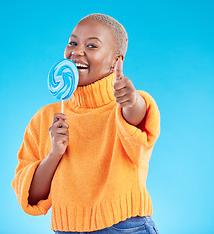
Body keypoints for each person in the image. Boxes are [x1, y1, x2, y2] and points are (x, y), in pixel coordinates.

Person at [12, 13, 160, 234]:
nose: (77, 51)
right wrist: (54, 154)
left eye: (92, 46)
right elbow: (32, 196)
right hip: (67, 229)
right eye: (73, 42)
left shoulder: (124, 106)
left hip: (125, 227)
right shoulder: (46, 118)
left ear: (116, 61)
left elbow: (136, 118)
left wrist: (132, 99)